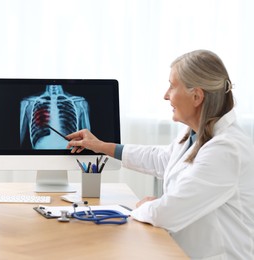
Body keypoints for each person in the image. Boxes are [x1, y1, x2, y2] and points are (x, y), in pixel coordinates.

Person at [66, 50, 254, 259]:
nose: (166, 95)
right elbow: (163, 158)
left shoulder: (226, 149)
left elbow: (165, 214)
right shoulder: (196, 134)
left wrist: (147, 206)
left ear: (197, 96)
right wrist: (101, 146)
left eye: (172, 86)